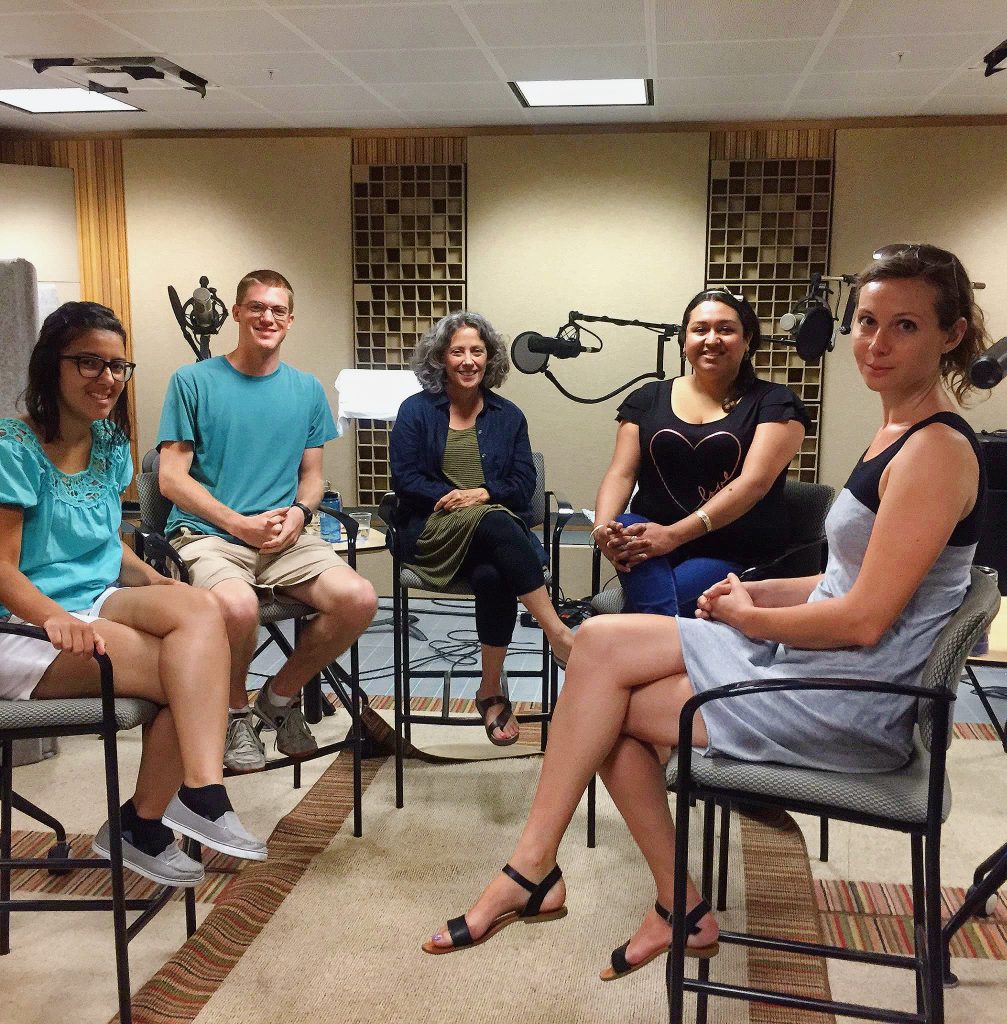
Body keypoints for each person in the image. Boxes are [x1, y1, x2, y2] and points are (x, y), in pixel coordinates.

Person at [421, 243, 987, 981]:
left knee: (609, 708)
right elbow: (845, 580)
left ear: (951, 335)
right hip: (820, 663)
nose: (876, 344)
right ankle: (591, 884)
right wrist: (754, 596)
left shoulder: (935, 452)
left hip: (853, 700)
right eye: (867, 322)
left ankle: (574, 883)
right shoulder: (897, 430)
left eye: (904, 326)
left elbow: (862, 621)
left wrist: (750, 619)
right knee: (598, 649)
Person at [0, 301, 267, 887]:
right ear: (52, 365)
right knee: (188, 674)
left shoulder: (109, 443)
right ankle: (150, 819)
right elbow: (2, 568)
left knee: (203, 610)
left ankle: (188, 797)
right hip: (22, 626)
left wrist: (157, 582)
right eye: (90, 363)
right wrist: (52, 618)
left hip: (95, 599)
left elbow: (105, 540)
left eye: (119, 366)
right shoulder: (12, 446)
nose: (109, 379)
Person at [157, 269, 377, 772]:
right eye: (256, 307)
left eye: (277, 310)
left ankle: (277, 699)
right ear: (236, 312)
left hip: (284, 538)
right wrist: (238, 524)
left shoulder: (305, 389)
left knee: (359, 599)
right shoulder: (192, 381)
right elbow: (171, 479)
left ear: (290, 320)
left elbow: (313, 478)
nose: (267, 317)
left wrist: (301, 514)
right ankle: (235, 712)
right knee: (237, 608)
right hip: (211, 536)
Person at [390, 311, 574, 746]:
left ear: (489, 358)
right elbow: (404, 478)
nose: (468, 360)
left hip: (491, 530)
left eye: (477, 350)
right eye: (458, 351)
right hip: (433, 529)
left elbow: (524, 483)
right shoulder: (416, 410)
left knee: (494, 574)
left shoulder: (508, 415)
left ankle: (489, 692)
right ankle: (558, 632)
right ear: (441, 358)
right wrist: (455, 498)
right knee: (491, 522)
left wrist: (482, 494)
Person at [592, 289, 809, 616]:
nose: (712, 339)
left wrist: (674, 536)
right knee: (625, 523)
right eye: (700, 329)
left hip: (733, 551)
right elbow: (620, 473)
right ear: (684, 340)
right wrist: (603, 531)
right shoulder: (646, 399)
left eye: (725, 329)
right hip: (651, 544)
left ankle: (636, 642)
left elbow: (754, 483)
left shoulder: (775, 403)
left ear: (747, 340)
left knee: (660, 604)